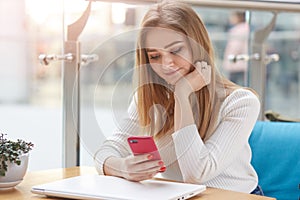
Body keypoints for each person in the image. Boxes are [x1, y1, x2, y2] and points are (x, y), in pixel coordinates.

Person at [94, 0, 263, 196]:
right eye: (155, 56)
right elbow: (105, 152)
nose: (166, 64)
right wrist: (122, 166)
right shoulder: (147, 97)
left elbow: (197, 173)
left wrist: (182, 96)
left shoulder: (240, 102)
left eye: (175, 51)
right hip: (178, 196)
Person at [222, 11, 250, 86]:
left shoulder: (237, 30)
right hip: (243, 65)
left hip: (236, 65)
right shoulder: (247, 28)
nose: (230, 18)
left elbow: (235, 48)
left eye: (232, 16)